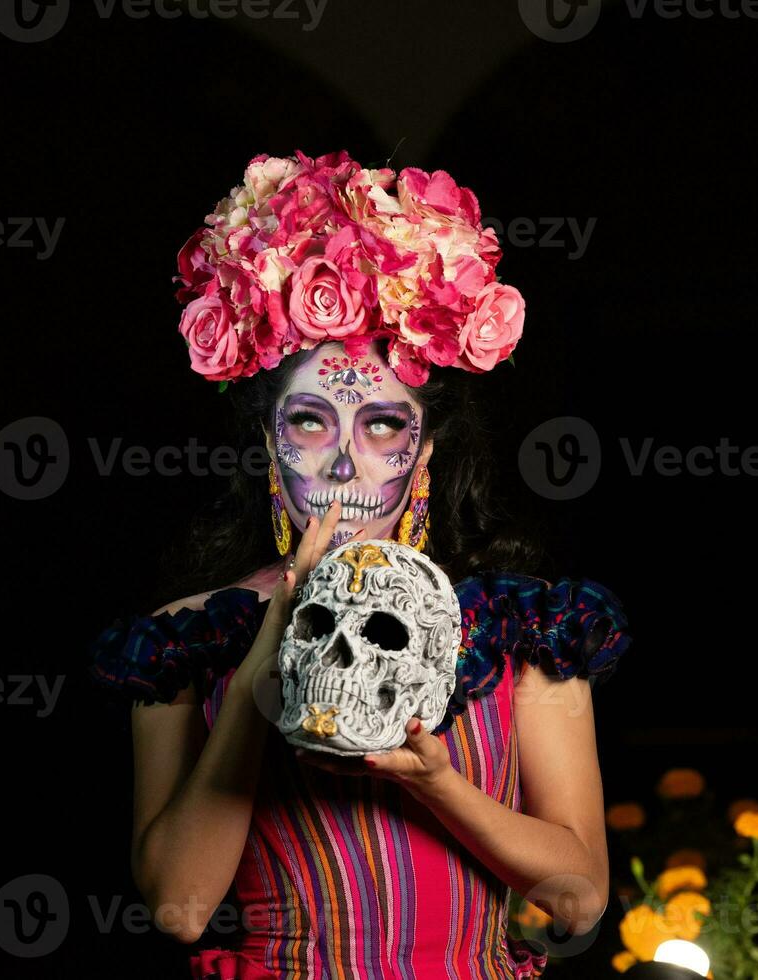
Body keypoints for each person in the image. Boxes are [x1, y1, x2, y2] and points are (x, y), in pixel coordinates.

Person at [91, 150, 631, 979]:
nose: (344, 463)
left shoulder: (527, 628)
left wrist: (436, 783)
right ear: (268, 440)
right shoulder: (186, 638)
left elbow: (579, 898)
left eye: (382, 424)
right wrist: (271, 642)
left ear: (428, 451)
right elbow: (179, 908)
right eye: (310, 421)